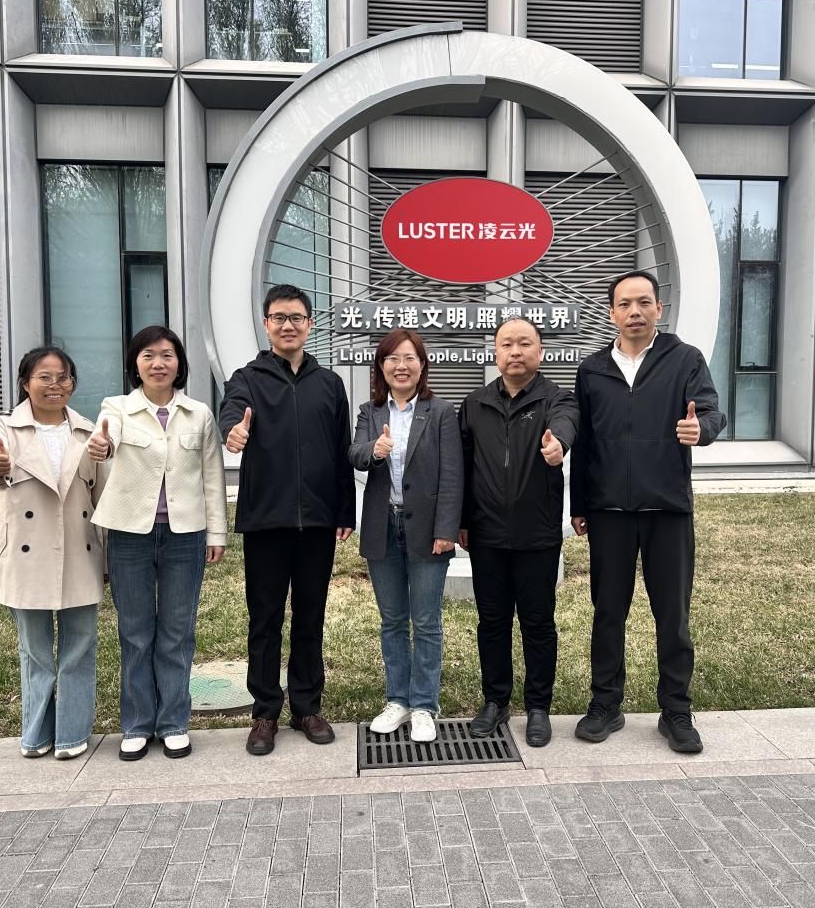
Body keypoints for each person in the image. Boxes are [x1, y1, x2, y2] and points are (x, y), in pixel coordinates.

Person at [569, 270, 725, 753]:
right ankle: (605, 704)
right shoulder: (593, 369)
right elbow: (585, 442)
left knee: (672, 615)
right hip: (609, 511)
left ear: (659, 308)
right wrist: (580, 504)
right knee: (607, 612)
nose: (634, 312)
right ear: (611, 313)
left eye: (643, 302)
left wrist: (702, 431)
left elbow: (711, 412)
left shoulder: (685, 359)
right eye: (624, 304)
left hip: (668, 509)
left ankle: (676, 710)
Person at [218, 284, 356, 756]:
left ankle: (307, 706)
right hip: (266, 520)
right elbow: (232, 411)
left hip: (317, 521)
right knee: (265, 619)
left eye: (296, 317)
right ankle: (264, 712)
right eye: (279, 317)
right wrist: (233, 431)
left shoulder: (329, 383)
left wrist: (344, 510)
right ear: (266, 324)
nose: (288, 325)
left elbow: (341, 450)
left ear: (310, 324)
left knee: (310, 616)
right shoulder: (247, 378)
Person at [87, 326, 226, 761]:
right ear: (135, 364)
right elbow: (106, 443)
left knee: (177, 631)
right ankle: (136, 723)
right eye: (148, 355)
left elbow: (212, 476)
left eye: (167, 355)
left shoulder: (198, 414)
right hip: (130, 535)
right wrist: (100, 445)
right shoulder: (116, 408)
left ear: (179, 364)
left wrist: (216, 532)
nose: (158, 363)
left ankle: (173, 723)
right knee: (135, 632)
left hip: (185, 535)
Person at [0, 346, 106, 760]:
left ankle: (71, 733)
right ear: (25, 383)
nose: (54, 385)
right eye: (44, 377)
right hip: (25, 553)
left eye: (63, 377)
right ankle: (35, 734)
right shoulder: (5, 426)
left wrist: (109, 558)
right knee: (35, 649)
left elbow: (101, 496)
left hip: (80, 548)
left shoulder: (88, 432)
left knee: (80, 645)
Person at [457, 317, 578, 747]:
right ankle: (495, 700)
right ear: (495, 352)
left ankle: (539, 706)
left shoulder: (557, 399)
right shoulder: (475, 404)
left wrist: (557, 445)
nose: (515, 351)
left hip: (537, 534)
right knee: (491, 622)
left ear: (539, 352)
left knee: (538, 623)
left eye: (524, 343)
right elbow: (463, 467)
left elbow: (566, 425)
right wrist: (462, 521)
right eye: (506, 344)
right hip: (486, 534)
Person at [348, 329, 462, 744]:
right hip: (383, 527)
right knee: (393, 620)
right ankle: (397, 700)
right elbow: (355, 453)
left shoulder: (441, 412)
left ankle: (425, 705)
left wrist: (446, 530)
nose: (401, 366)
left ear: (422, 365)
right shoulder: (370, 411)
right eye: (393, 358)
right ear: (381, 367)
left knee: (426, 621)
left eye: (410, 358)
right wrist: (374, 451)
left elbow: (452, 475)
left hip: (427, 530)